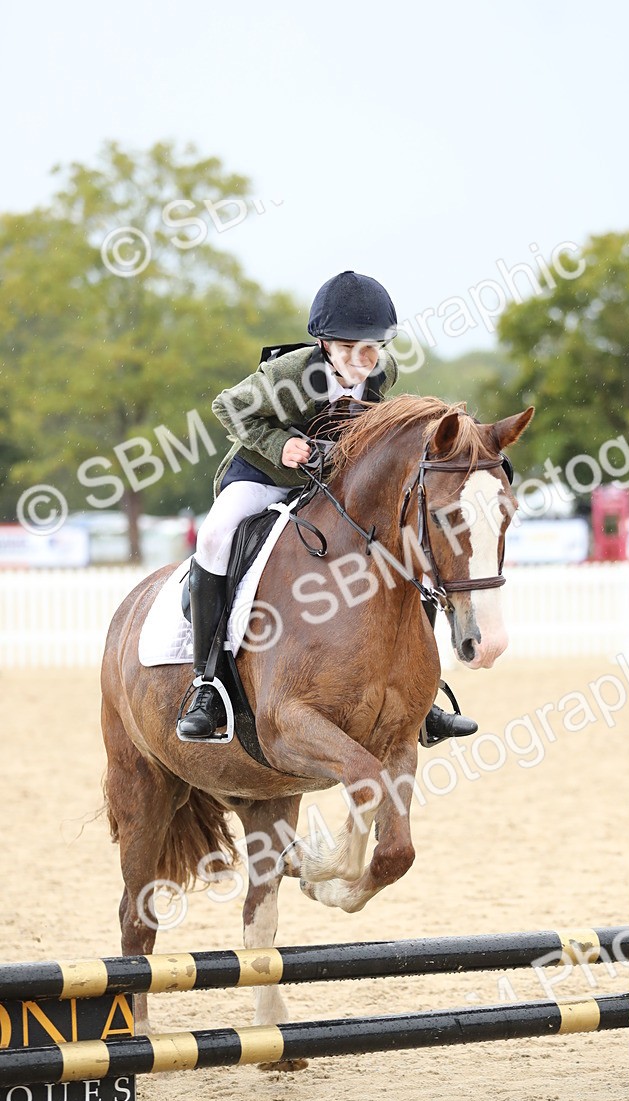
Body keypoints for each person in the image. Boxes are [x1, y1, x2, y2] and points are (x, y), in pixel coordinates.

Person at [177, 270, 478, 746]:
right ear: (323, 345)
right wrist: (280, 444)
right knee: (214, 536)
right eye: (350, 349)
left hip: (331, 489)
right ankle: (207, 684)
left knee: (408, 543)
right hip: (267, 477)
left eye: (374, 347)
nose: (365, 360)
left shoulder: (381, 372)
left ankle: (422, 696)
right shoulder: (290, 375)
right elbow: (227, 407)